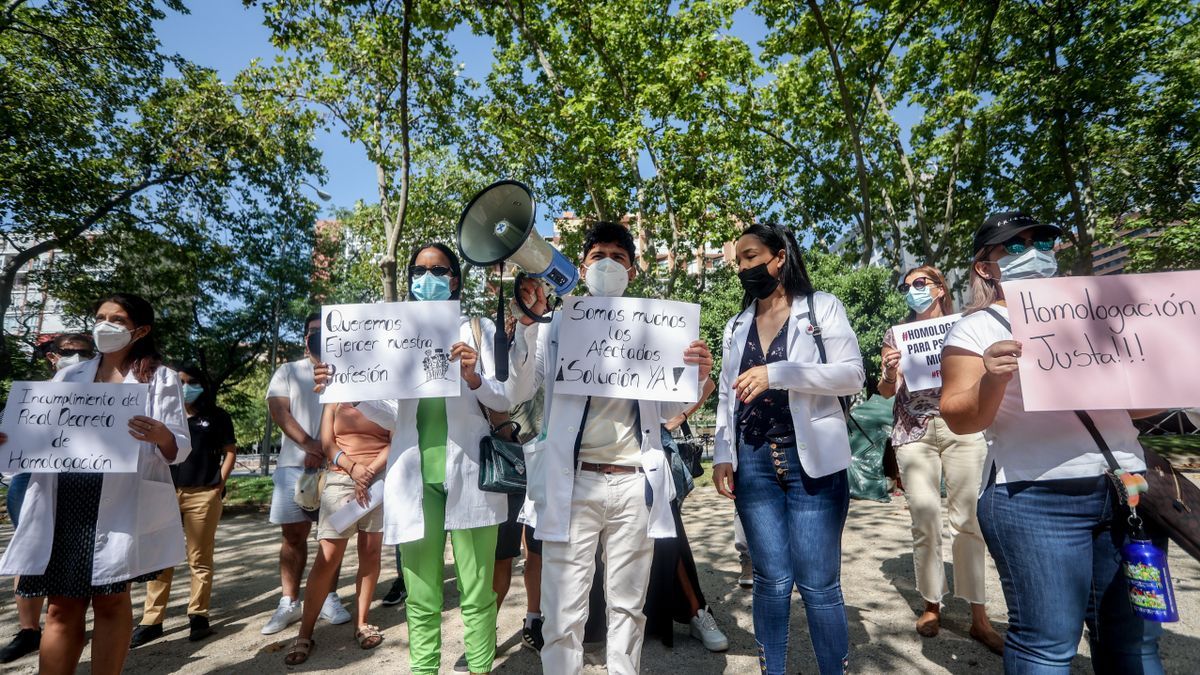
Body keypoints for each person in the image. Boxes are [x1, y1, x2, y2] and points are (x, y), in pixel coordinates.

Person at [940, 212, 1165, 672]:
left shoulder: (1100, 313)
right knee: (1047, 647)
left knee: (1136, 645)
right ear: (986, 267)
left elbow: (1140, 409)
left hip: (1130, 493)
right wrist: (991, 380)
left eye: (1042, 242)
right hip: (1035, 498)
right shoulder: (976, 328)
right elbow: (958, 417)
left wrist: (1169, 376)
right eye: (1016, 247)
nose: (1036, 254)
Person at [317, 242, 533, 675]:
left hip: (470, 472)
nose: (427, 278)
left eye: (438, 270)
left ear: (454, 278)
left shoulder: (478, 330)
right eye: (419, 271)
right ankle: (423, 669)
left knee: (477, 589)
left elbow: (506, 397)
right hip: (412, 474)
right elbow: (393, 413)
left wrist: (474, 377)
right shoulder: (394, 333)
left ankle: (479, 667)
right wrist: (349, 389)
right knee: (420, 589)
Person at [514, 221, 714, 675]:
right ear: (581, 269)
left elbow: (669, 408)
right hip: (574, 482)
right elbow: (519, 389)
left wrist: (697, 372)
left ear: (633, 270)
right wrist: (527, 328)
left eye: (618, 258)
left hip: (632, 485)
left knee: (628, 606)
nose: (607, 265)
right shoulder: (556, 322)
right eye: (597, 257)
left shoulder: (655, 327)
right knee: (563, 609)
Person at [0, 293, 191, 675]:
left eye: (117, 320)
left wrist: (159, 434)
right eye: (101, 316)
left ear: (141, 330)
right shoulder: (69, 375)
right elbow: (41, 431)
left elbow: (178, 447)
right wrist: (11, 439)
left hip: (121, 502)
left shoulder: (160, 378)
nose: (105, 325)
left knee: (111, 602)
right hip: (65, 499)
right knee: (60, 605)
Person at [711, 224, 864, 675]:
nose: (744, 267)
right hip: (754, 460)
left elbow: (852, 375)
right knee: (770, 581)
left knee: (818, 585)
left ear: (779, 257)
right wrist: (723, 452)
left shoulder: (822, 308)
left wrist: (779, 372)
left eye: (752, 256)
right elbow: (725, 394)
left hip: (811, 460)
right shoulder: (735, 325)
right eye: (739, 260)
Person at [878, 265, 1004, 653]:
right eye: (906, 285)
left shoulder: (968, 324)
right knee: (925, 515)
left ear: (939, 288)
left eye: (920, 283)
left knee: (969, 519)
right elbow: (885, 392)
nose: (912, 290)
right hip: (913, 432)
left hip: (962, 427)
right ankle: (932, 604)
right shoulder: (896, 334)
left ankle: (979, 617)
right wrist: (887, 371)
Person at [0, 333, 95, 664]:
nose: (79, 358)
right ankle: (29, 630)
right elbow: (10, 444)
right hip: (30, 479)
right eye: (71, 352)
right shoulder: (30, 397)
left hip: (86, 480)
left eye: (86, 352)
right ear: (52, 357)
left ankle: (74, 618)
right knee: (29, 548)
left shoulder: (108, 395)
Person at [130, 365, 237, 647]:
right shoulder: (160, 416)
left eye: (192, 382)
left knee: (199, 558)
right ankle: (151, 620)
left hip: (202, 494)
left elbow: (229, 451)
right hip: (163, 493)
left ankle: (198, 615)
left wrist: (218, 485)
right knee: (160, 557)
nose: (186, 386)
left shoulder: (216, 416)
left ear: (203, 385)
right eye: (180, 382)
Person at [283, 400, 390, 664]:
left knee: (370, 552)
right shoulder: (335, 395)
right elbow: (328, 443)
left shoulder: (387, 392)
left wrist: (369, 473)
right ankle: (305, 632)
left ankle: (362, 623)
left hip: (378, 480)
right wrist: (354, 469)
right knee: (327, 558)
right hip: (340, 479)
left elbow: (395, 437)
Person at [262, 313, 350, 635]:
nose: (318, 337)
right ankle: (289, 601)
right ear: (304, 338)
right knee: (293, 536)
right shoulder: (287, 371)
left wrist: (327, 450)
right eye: (313, 332)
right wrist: (310, 444)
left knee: (332, 537)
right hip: (293, 465)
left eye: (324, 332)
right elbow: (278, 410)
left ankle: (328, 596)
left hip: (336, 465)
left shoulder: (347, 372)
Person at [645, 375, 729, 652]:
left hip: (653, 448)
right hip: (603, 453)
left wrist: (677, 417)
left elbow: (707, 384)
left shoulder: (665, 333)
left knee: (669, 534)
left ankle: (696, 611)